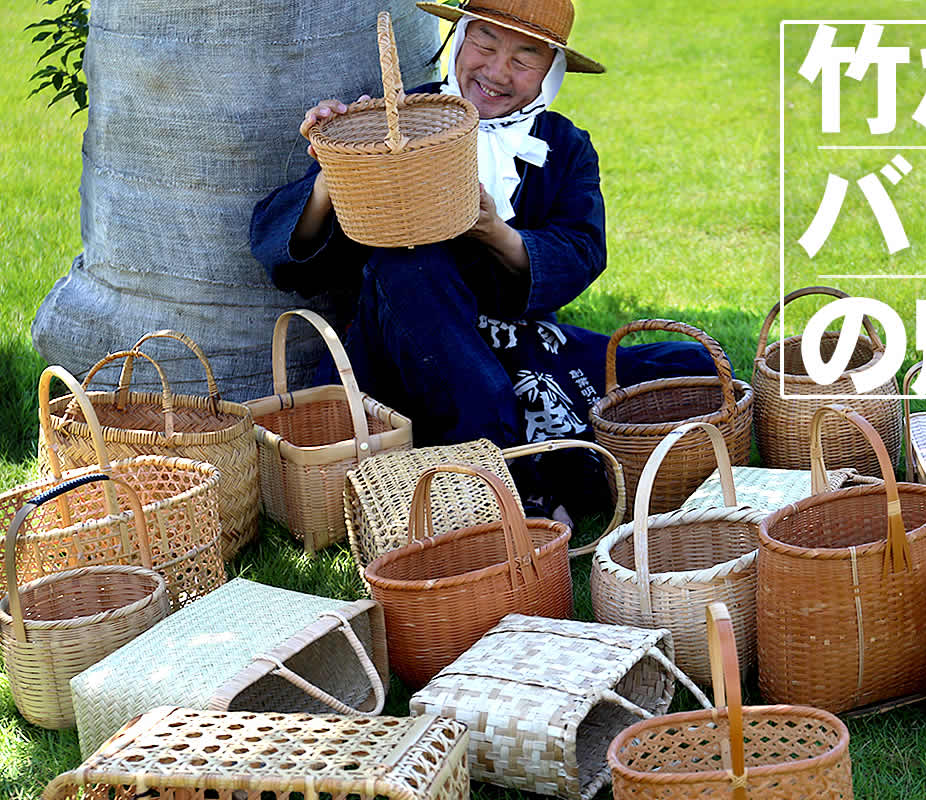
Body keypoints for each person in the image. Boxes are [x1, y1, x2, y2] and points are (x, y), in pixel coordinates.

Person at [250, 0, 719, 517]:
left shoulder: (563, 146)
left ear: (551, 70)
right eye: (485, 43)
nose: (496, 71)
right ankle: (507, 468)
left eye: (524, 58)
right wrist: (336, 170)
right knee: (409, 266)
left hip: (514, 344)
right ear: (460, 37)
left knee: (692, 370)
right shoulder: (399, 119)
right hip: (404, 353)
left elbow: (582, 249)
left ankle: (493, 453)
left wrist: (496, 233)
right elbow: (292, 259)